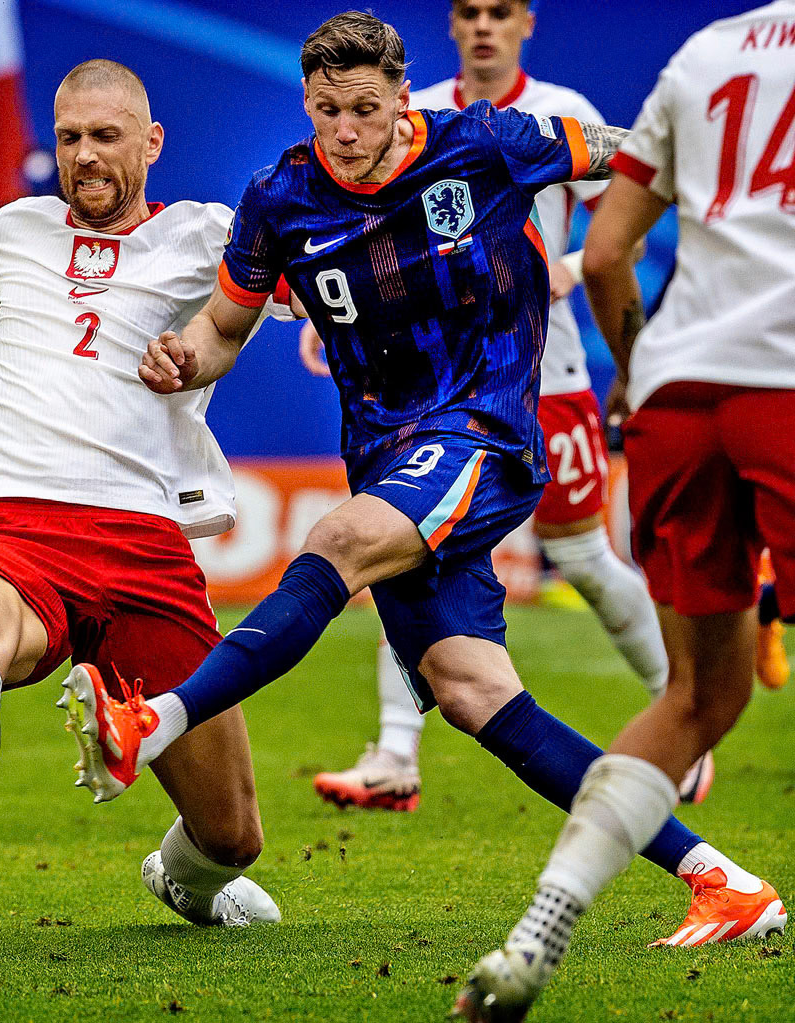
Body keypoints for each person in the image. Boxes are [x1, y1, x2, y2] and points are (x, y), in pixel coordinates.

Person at [60, 10, 781, 951]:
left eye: (365, 109)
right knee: (475, 691)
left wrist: (726, 199)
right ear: (308, 106)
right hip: (389, 454)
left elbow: (634, 154)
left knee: (338, 542)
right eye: (328, 112)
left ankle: (150, 720)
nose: (347, 133)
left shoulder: (486, 144)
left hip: (484, 434)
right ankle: (722, 880)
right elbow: (223, 329)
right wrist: (180, 361)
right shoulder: (281, 198)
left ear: (406, 99)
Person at [0, 60, 293, 926]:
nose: (83, 156)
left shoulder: (210, 236)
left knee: (232, 835)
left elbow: (305, 297)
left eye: (104, 136)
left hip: (145, 541)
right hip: (20, 515)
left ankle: (181, 880)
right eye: (67, 139)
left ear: (152, 142)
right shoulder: (16, 230)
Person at [458, 4, 793, 1017]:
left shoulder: (700, 53)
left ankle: (533, 938)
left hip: (676, 399)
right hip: (784, 385)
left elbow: (603, 258)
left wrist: (638, 374)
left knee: (695, 700)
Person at [306, 0, 712, 814]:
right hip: (430, 390)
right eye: (469, 12)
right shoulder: (404, 119)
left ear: (526, 22)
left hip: (541, 376)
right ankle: (393, 754)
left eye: (500, 12)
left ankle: (689, 722)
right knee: (405, 549)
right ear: (451, 27)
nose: (484, 26)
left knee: (588, 561)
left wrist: (570, 262)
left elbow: (631, 215)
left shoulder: (561, 114)